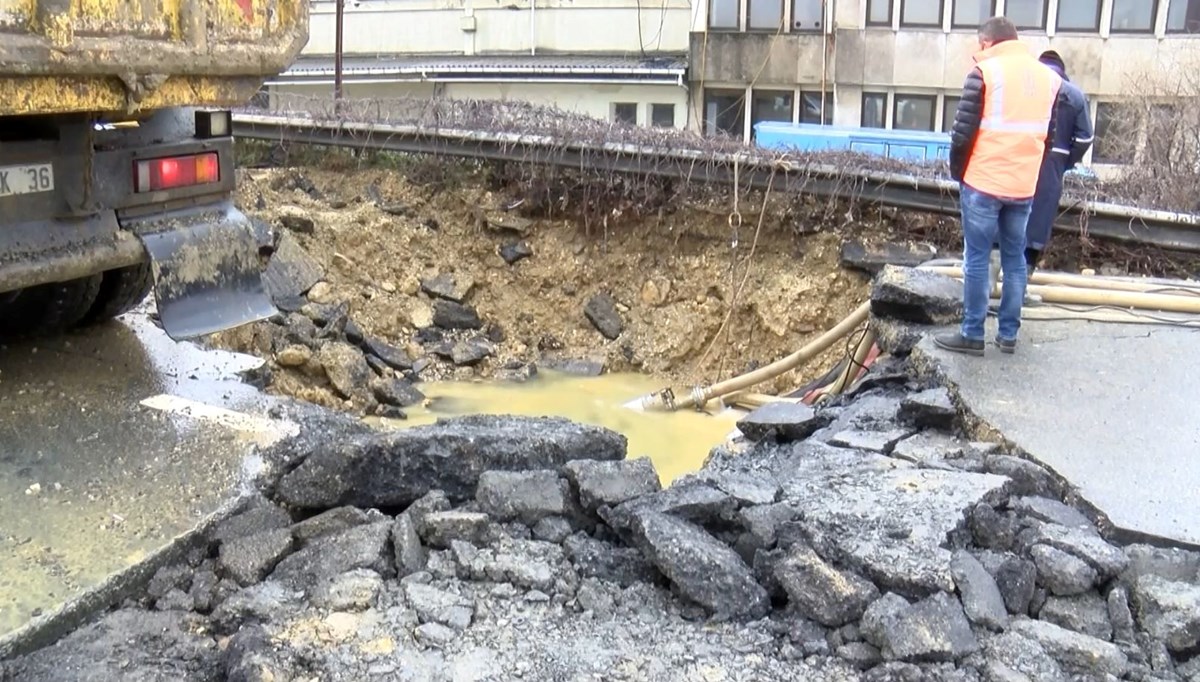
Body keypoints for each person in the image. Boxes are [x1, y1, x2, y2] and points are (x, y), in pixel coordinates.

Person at [936, 16, 1065, 357]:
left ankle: (972, 334)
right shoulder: (1049, 79)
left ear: (989, 42)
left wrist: (958, 173)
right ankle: (1008, 335)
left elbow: (962, 134)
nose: (977, 51)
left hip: (983, 181)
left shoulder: (985, 73)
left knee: (977, 258)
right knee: (1015, 257)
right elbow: (1048, 137)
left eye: (980, 45)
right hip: (1022, 185)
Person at [1024, 50, 1094, 284]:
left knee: (1005, 216)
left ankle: (989, 283)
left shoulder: (1026, 88)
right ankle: (1020, 286)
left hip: (1019, 158)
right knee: (1038, 221)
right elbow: (1085, 138)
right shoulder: (1074, 95)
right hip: (1053, 163)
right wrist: (1066, 160)